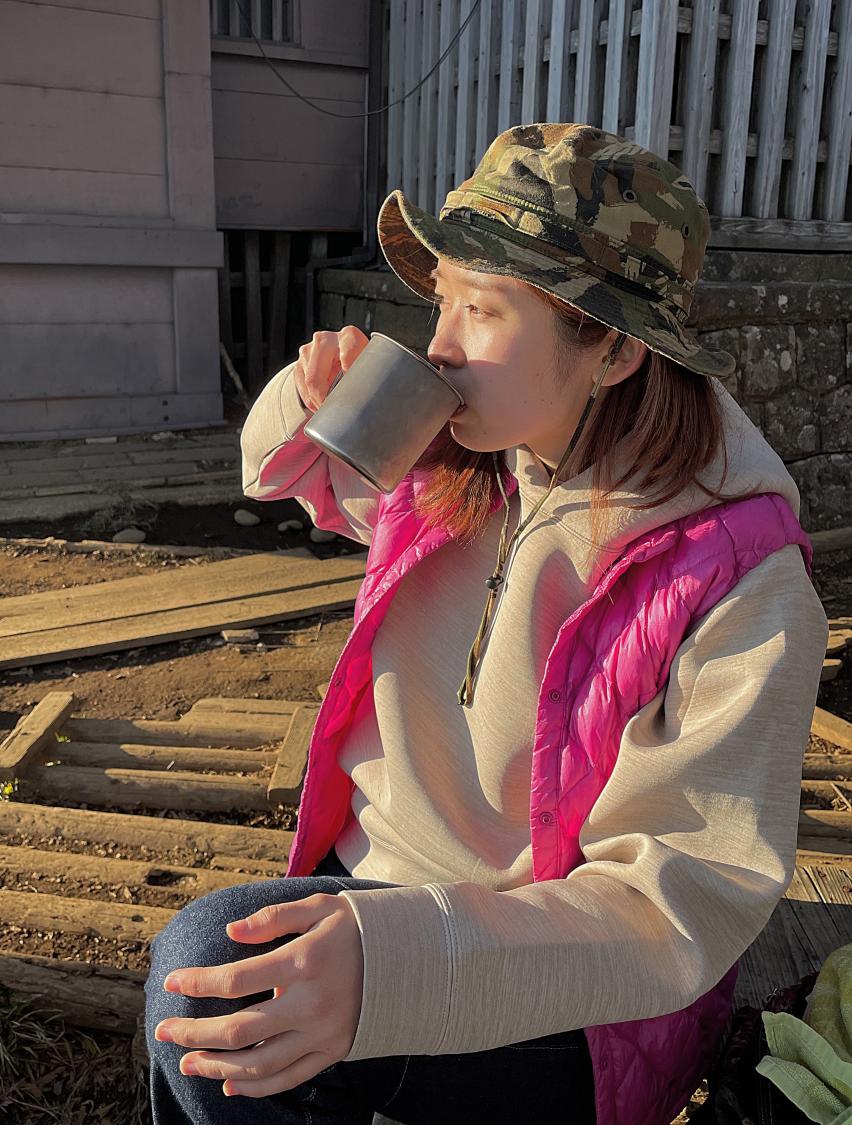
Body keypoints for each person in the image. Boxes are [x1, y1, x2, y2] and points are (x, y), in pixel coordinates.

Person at [144, 123, 828, 1125]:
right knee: (208, 1000)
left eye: (485, 308)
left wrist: (400, 967)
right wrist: (308, 389)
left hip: (558, 978)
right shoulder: (459, 458)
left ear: (614, 349)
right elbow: (283, 472)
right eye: (442, 298)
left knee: (209, 977)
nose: (441, 343)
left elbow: (681, 900)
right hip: (369, 888)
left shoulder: (739, 582)